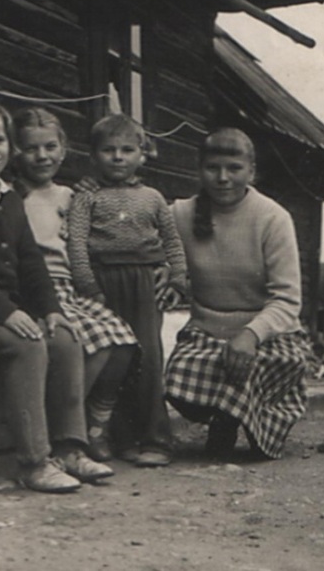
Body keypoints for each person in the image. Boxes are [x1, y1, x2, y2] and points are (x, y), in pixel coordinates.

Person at [0, 99, 113, 492]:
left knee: (65, 338)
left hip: (11, 305)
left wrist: (50, 309)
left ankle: (69, 446)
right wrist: (7, 312)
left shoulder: (9, 196)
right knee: (29, 343)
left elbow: (31, 261)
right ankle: (33, 462)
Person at [164, 128, 311, 460]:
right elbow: (146, 233)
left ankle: (243, 419)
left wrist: (251, 335)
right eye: (212, 168)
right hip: (208, 329)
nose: (222, 178)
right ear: (199, 170)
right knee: (177, 377)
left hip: (267, 333)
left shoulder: (273, 218)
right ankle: (226, 417)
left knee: (264, 371)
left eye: (234, 169)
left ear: (251, 171)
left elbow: (287, 298)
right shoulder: (179, 214)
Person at [11, 106, 139, 462]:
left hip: (71, 287)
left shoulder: (71, 196)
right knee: (95, 344)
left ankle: (97, 416)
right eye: (31, 148)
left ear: (63, 150)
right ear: (15, 151)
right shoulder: (11, 197)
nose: (42, 156)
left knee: (123, 339)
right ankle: (68, 426)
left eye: (50, 147)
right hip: (36, 290)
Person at [68, 113, 187, 467]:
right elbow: (77, 244)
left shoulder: (152, 197)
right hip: (104, 284)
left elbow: (172, 241)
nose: (118, 157)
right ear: (94, 156)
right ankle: (121, 439)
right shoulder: (86, 198)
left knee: (148, 359)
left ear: (142, 154)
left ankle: (156, 439)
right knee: (116, 361)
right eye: (108, 150)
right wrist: (89, 286)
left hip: (143, 283)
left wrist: (178, 277)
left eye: (126, 150)